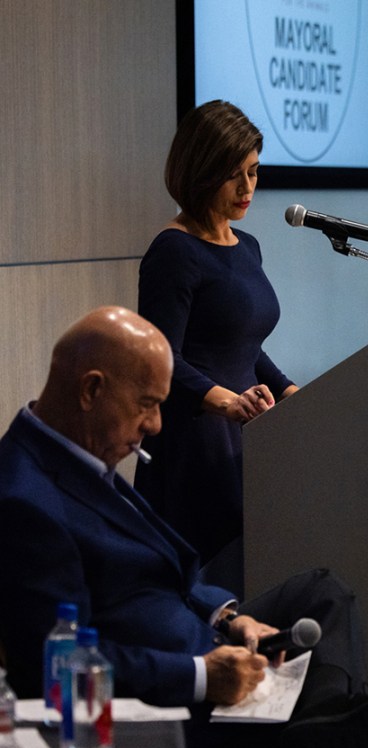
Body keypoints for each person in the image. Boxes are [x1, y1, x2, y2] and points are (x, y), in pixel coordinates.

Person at [0, 306, 368, 748]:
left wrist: (228, 616)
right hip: (153, 708)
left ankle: (317, 716)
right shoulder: (24, 498)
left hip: (201, 643)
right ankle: (316, 724)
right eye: (147, 404)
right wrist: (203, 676)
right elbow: (56, 666)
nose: (156, 424)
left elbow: (170, 571)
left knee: (322, 591)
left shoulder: (79, 453)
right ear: (92, 390)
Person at [135, 99, 298, 574]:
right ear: (202, 173)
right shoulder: (174, 251)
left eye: (254, 172)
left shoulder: (248, 247)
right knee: (209, 582)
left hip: (247, 434)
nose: (248, 188)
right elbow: (161, 359)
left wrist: (292, 392)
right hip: (196, 443)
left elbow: (245, 346)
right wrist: (225, 401)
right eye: (233, 175)